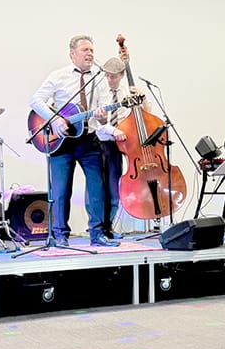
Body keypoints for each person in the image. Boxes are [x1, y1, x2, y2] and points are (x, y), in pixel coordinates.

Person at [29, 35, 118, 248]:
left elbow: (104, 114)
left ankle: (97, 234)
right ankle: (60, 235)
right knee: (61, 191)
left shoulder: (99, 79)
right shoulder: (58, 76)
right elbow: (36, 100)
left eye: (92, 50)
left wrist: (102, 116)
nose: (90, 54)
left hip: (89, 140)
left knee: (97, 188)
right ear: (72, 54)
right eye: (85, 50)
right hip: (62, 142)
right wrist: (55, 119)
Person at [91, 56, 152, 240]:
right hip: (100, 142)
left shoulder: (127, 92)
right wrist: (113, 130)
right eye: (108, 75)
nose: (110, 79)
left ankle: (108, 227)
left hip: (120, 145)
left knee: (114, 187)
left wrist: (143, 98)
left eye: (114, 76)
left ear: (122, 75)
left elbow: (146, 114)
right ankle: (97, 228)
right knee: (99, 189)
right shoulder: (98, 90)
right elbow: (94, 121)